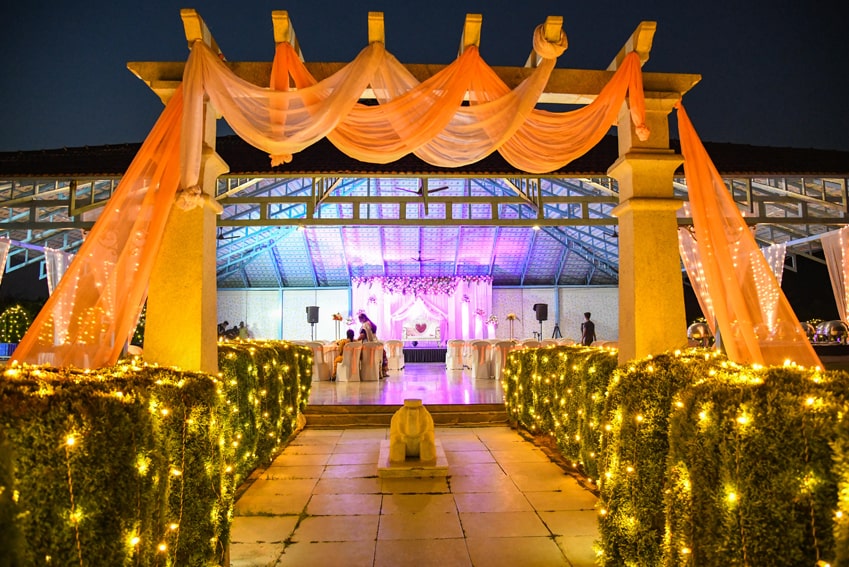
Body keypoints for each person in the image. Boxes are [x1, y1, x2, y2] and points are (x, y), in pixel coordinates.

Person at [358, 312, 388, 377]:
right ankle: (382, 372)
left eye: (359, 319)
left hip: (368, 345)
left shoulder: (365, 325)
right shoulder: (371, 323)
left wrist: (356, 340)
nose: (359, 321)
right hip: (376, 344)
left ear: (363, 318)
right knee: (382, 355)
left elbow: (363, 335)